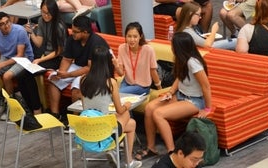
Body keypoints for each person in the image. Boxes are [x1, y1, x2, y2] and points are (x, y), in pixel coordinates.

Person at [135, 32, 212, 161]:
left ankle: (172, 152)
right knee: (149, 108)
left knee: (158, 113)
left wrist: (207, 108)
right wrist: (170, 92)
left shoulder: (193, 62)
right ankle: (151, 148)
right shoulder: (181, 59)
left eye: (173, 45)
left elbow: (206, 86)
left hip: (194, 100)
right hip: (180, 95)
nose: (171, 47)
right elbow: (179, 77)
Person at [81, 46, 142, 168]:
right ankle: (113, 146)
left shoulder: (83, 80)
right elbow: (119, 110)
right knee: (125, 114)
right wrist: (126, 105)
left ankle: (129, 161)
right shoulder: (110, 83)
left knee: (132, 124)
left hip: (86, 130)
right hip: (104, 132)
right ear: (108, 63)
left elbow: (85, 108)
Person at [47, 15, 108, 121]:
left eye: (75, 31)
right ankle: (55, 115)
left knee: (76, 88)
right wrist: (61, 73)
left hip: (95, 70)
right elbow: (67, 59)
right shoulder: (72, 39)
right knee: (54, 81)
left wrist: (68, 75)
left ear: (85, 32)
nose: (72, 33)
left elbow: (89, 67)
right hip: (78, 66)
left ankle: (75, 120)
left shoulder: (95, 42)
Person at [0, 12, 34, 120]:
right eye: (2, 24)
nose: (6, 26)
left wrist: (0, 65)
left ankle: (11, 105)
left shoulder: (20, 31)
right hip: (7, 58)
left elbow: (20, 55)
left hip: (24, 59)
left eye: (8, 22)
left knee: (7, 76)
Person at [21, 0, 67, 114]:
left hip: (58, 59)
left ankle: (37, 109)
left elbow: (58, 51)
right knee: (22, 75)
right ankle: (31, 107)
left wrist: (40, 60)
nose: (45, 16)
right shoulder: (41, 21)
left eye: (48, 13)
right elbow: (39, 43)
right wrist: (31, 32)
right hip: (46, 56)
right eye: (43, 12)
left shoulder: (59, 26)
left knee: (28, 74)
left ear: (54, 12)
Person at [113, 22, 161, 95]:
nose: (132, 40)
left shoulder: (148, 50)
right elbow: (121, 74)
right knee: (117, 96)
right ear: (125, 36)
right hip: (127, 82)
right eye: (129, 36)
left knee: (117, 94)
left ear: (140, 36)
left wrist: (159, 88)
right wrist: (116, 66)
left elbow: (153, 71)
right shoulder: (122, 48)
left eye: (135, 37)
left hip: (142, 86)